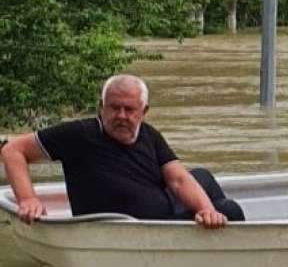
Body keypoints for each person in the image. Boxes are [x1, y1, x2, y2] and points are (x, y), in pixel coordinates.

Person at [1, 74, 244, 227]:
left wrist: (206, 211)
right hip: (136, 227)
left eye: (129, 109)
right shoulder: (80, 135)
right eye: (114, 108)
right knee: (229, 209)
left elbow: (179, 179)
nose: (121, 116)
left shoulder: (149, 134)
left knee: (202, 177)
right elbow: (13, 150)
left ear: (144, 111)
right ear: (101, 107)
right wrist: (28, 198)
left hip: (163, 213)